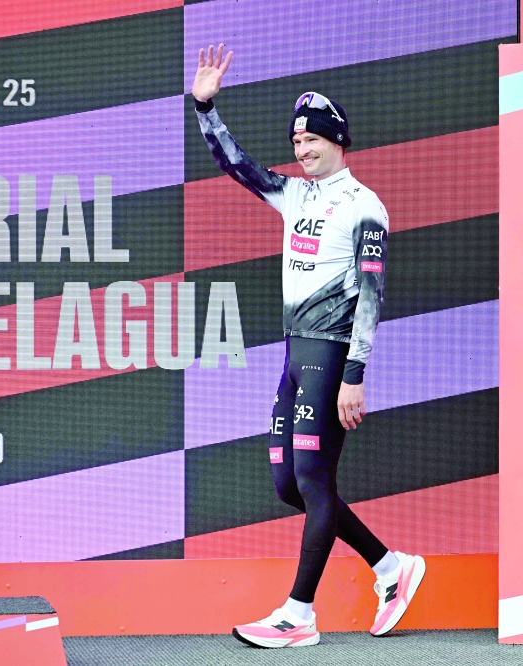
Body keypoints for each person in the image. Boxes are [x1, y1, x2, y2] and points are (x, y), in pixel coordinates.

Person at [192, 44, 426, 649]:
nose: (302, 150)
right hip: (296, 354)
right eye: (297, 143)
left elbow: (372, 297)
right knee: (288, 485)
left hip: (331, 355)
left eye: (312, 141)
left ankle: (298, 615)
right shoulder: (293, 194)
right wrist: (204, 107)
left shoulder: (364, 205)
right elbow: (238, 165)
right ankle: (389, 567)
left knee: (315, 480)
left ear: (337, 141)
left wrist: (355, 374)